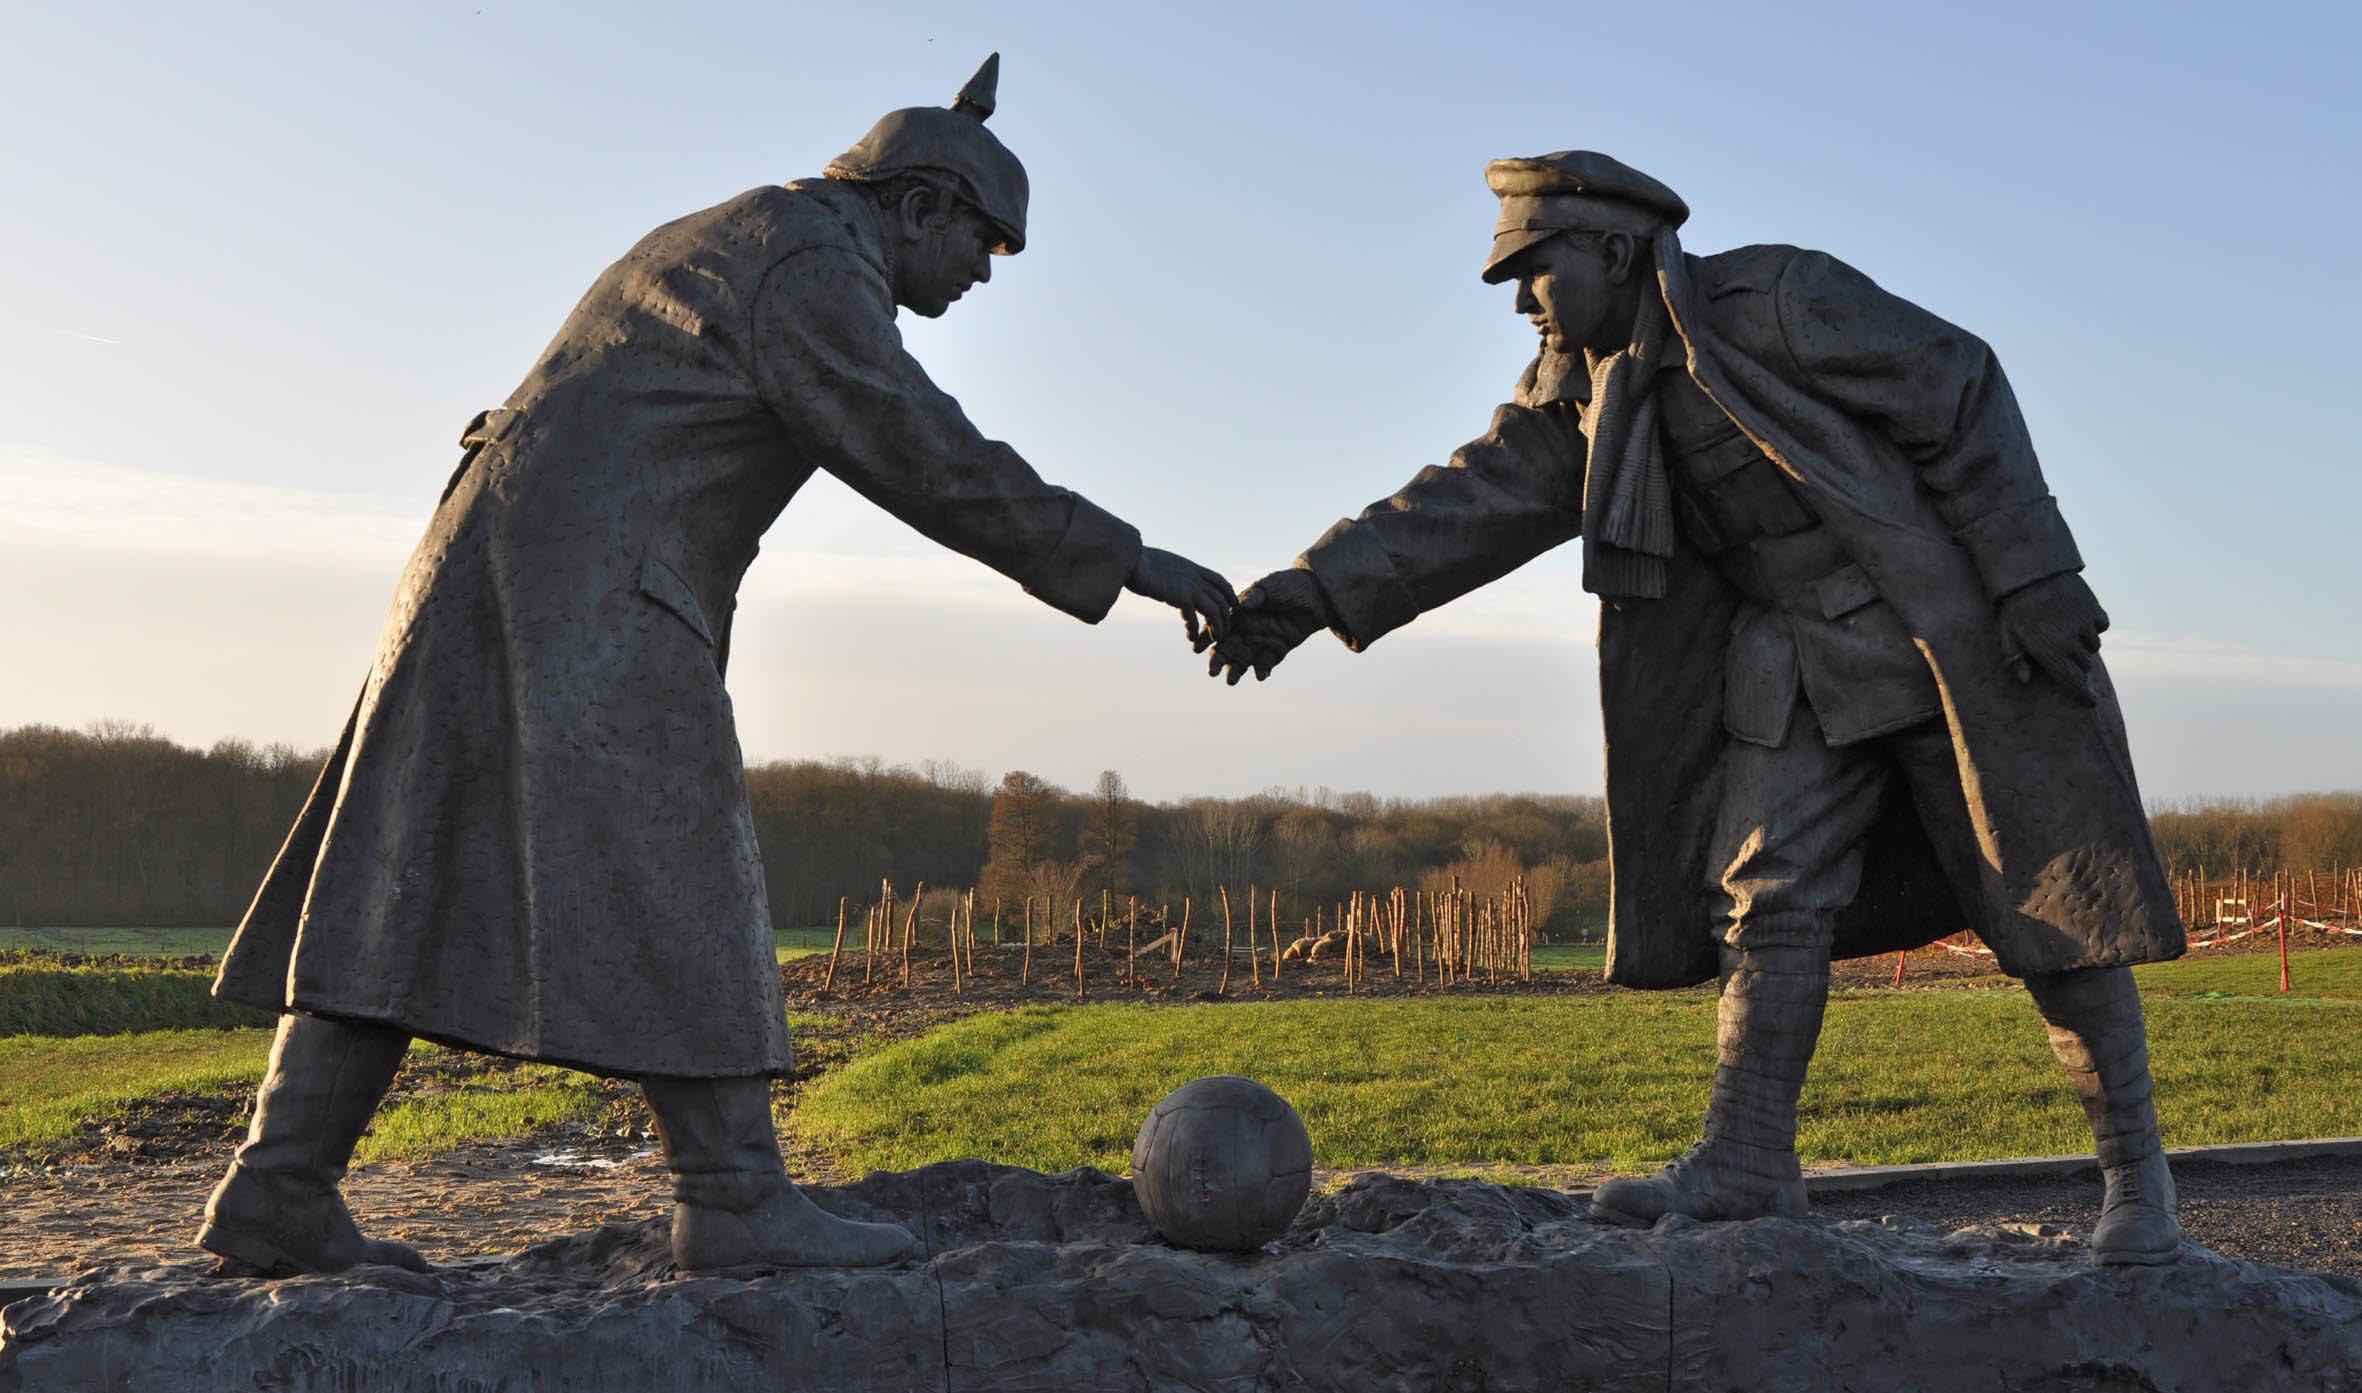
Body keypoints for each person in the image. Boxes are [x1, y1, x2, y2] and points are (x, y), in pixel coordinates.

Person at [200, 54, 1233, 1278]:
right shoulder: (810, 264)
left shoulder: (742, 231)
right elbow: (924, 452)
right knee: (684, 852)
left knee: (409, 859)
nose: (983, 276)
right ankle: (732, 1192)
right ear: (918, 206)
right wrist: (1130, 559)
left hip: (483, 560)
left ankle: (279, 1185)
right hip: (592, 583)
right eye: (984, 245)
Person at [1209, 150, 2186, 1264]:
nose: (1524, 303)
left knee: (2048, 901)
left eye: (1535, 271)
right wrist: (1312, 588)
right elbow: (1472, 496)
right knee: (1763, 899)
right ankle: (1748, 1161)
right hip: (1791, 664)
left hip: (1933, 636)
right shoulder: (1584, 390)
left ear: (1613, 250)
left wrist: (2034, 572)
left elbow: (1958, 384)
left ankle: (2137, 1183)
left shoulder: (1776, 300)